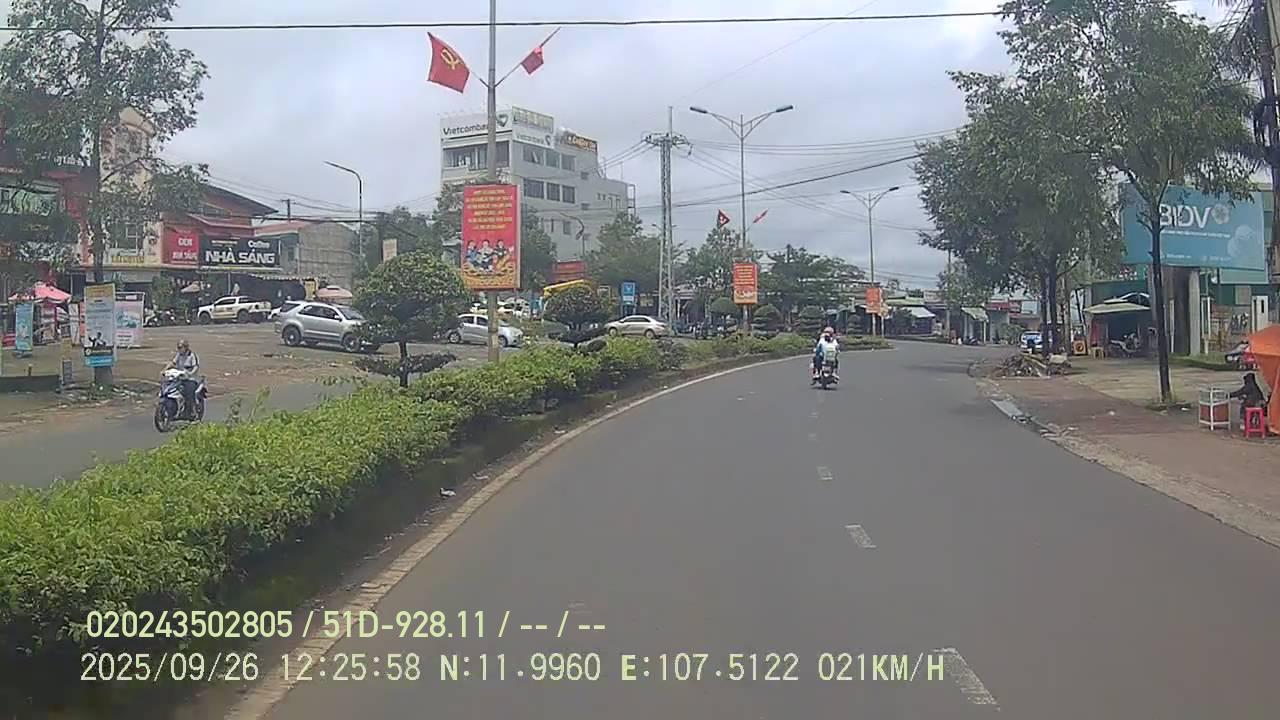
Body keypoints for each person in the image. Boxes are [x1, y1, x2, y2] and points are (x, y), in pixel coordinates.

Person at [168, 339, 201, 418]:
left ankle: (192, 412)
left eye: (180, 347)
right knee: (169, 388)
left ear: (185, 347)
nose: (179, 349)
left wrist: (190, 373)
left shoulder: (192, 355)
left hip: (190, 379)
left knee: (189, 393)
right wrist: (165, 370)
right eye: (178, 347)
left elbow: (196, 367)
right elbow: (173, 363)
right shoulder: (179, 355)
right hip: (180, 378)